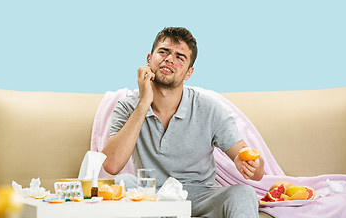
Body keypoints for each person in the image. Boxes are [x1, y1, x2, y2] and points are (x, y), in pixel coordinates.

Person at [102, 27, 264, 217]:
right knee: (122, 182)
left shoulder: (210, 108)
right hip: (149, 195)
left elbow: (257, 170)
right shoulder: (128, 106)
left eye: (180, 57)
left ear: (189, 73)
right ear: (149, 59)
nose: (169, 59)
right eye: (163, 52)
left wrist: (252, 165)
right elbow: (111, 166)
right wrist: (144, 102)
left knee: (244, 193)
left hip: (201, 196)